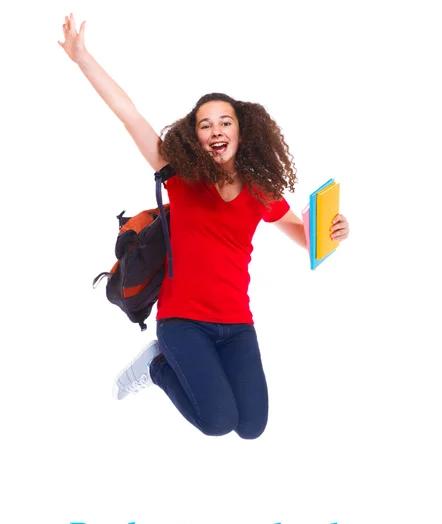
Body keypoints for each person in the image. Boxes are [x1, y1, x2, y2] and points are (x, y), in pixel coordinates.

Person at [59, 14, 350, 440]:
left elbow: (307, 238)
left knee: (251, 427)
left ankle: (173, 365)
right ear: (196, 137)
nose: (216, 129)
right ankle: (157, 366)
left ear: (240, 131)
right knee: (218, 423)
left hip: (236, 323)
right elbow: (131, 116)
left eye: (225, 122)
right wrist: (83, 58)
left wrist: (334, 232)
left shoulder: (261, 191)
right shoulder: (182, 179)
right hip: (182, 320)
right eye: (205, 124)